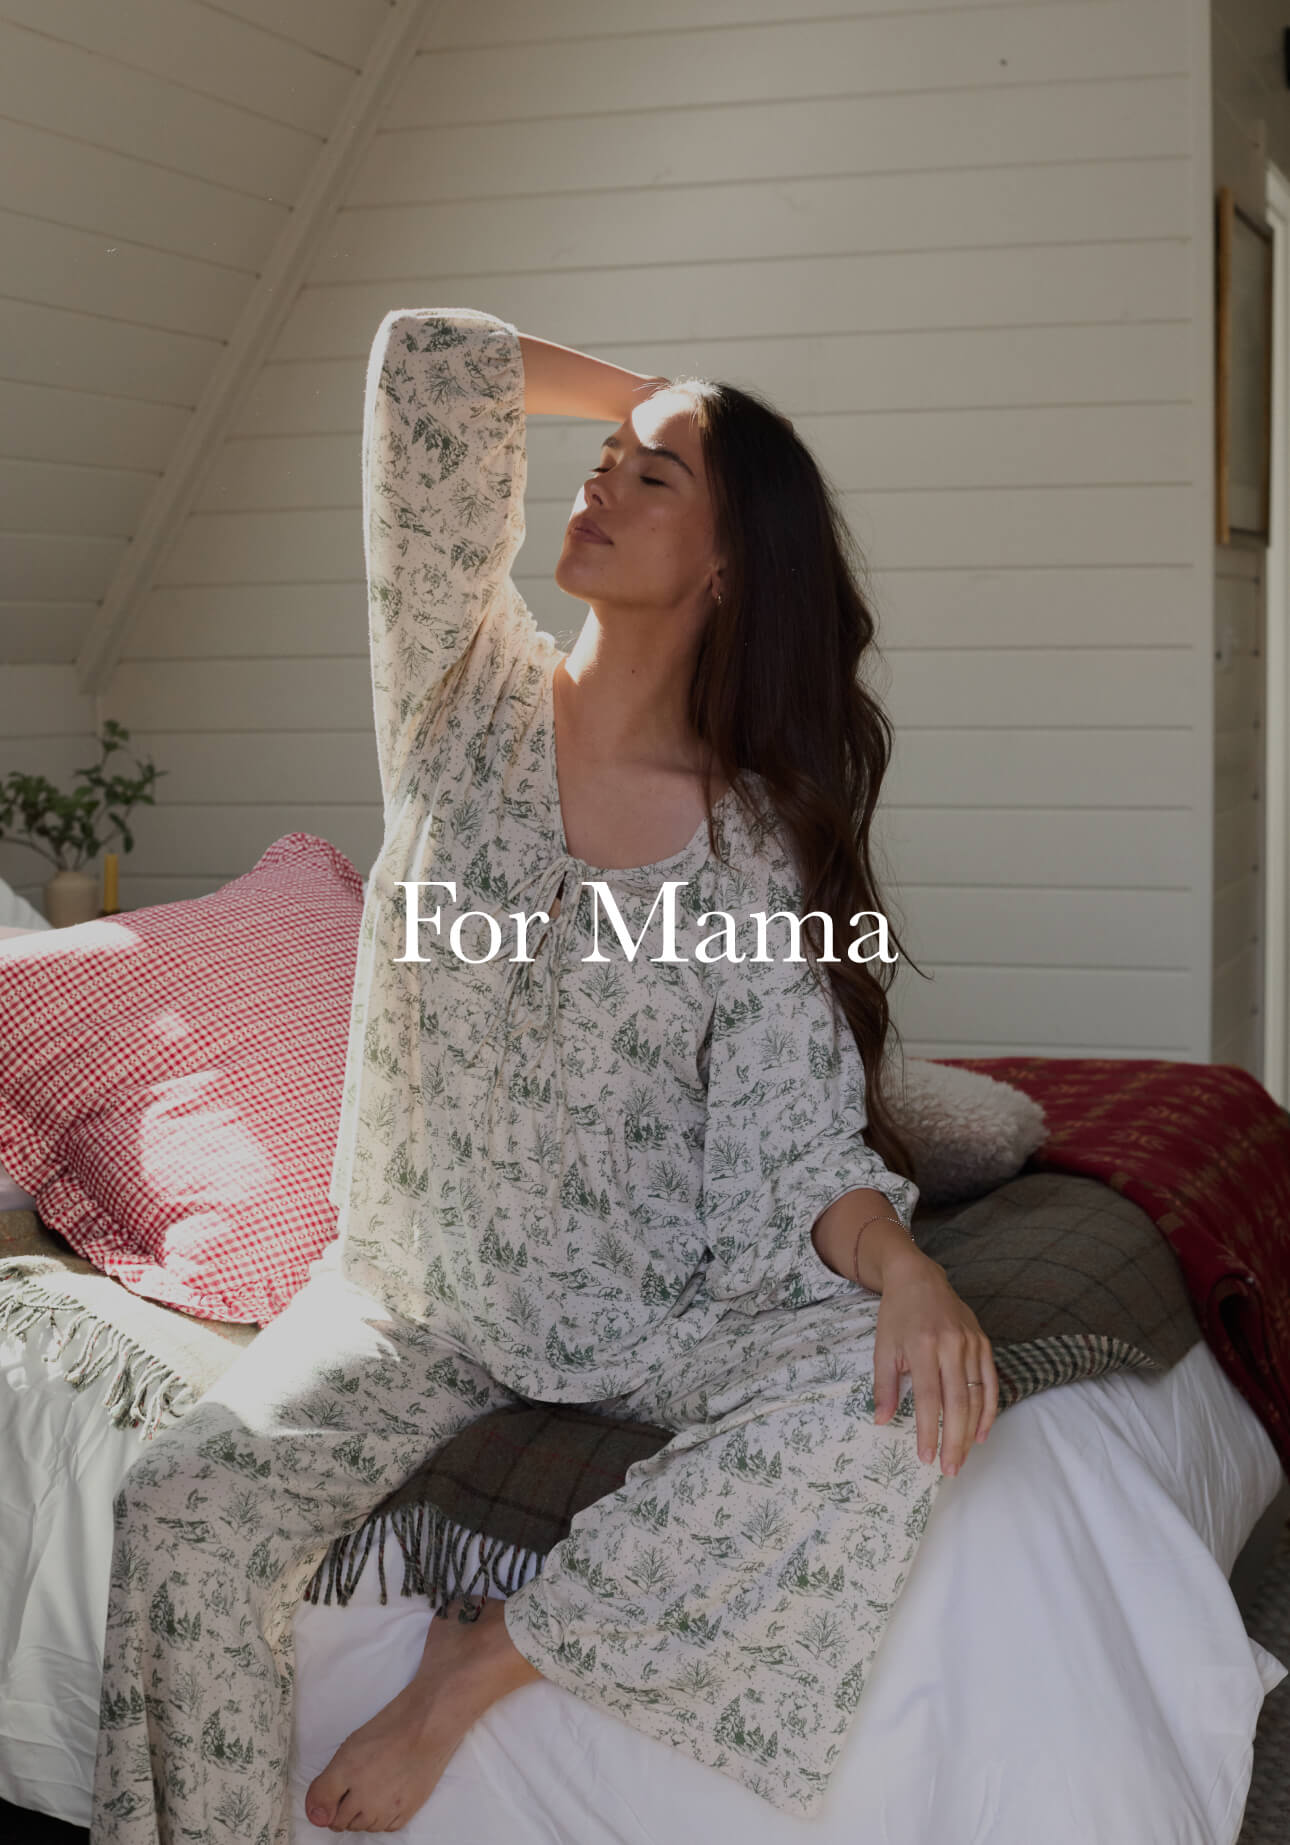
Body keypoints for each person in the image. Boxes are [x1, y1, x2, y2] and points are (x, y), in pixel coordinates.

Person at [90, 308, 999, 1842]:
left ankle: (474, 1667)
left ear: (728, 568)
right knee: (176, 1509)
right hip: (416, 1296)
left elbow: (793, 1144)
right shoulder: (456, 690)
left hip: (663, 1308)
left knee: (893, 1419)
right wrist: (660, 398)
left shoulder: (755, 840)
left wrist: (905, 1270)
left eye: (652, 480)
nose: (597, 486)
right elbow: (425, 362)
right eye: (603, 460)